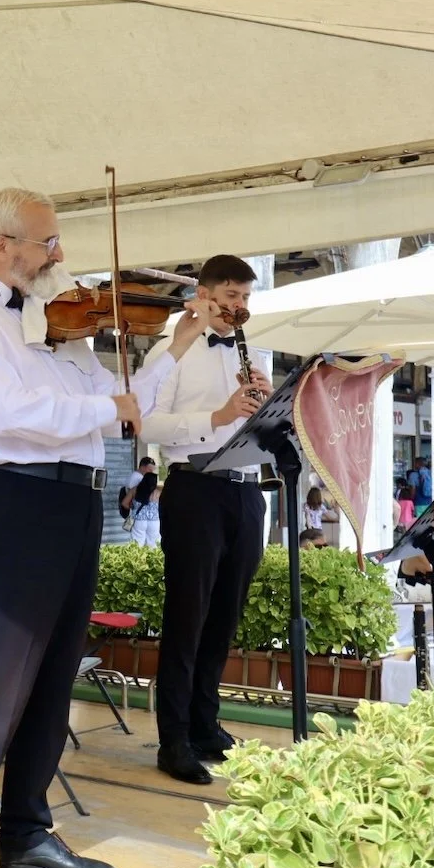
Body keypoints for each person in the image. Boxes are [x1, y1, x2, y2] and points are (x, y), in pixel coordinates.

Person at [0, 187, 221, 868]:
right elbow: (9, 413)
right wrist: (102, 406)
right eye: (47, 242)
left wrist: (174, 344)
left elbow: (127, 405)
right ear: (2, 247)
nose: (60, 254)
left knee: (53, 678)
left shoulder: (63, 328)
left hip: (74, 501)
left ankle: (23, 833)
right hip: (19, 498)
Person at [139, 254, 274, 786]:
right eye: (230, 296)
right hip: (194, 488)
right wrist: (216, 417)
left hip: (246, 491)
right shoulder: (170, 352)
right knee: (188, 617)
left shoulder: (252, 352)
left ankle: (204, 724)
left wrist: (265, 407)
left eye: (245, 298)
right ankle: (173, 738)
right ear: (205, 294)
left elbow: (266, 426)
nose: (239, 307)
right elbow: (146, 422)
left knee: (224, 618)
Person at [121, 473, 161, 547]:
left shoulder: (134, 490)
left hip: (139, 520)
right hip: (154, 521)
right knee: (154, 545)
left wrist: (133, 508)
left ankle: (139, 558)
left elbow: (124, 503)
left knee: (137, 545)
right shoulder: (158, 493)